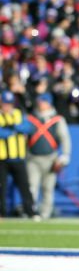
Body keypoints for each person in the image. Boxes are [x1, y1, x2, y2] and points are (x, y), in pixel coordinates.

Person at [25, 92, 72, 219]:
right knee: (32, 186)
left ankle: (45, 213)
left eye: (43, 102)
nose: (41, 104)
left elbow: (65, 139)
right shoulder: (30, 118)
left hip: (51, 158)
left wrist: (65, 156)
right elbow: (24, 138)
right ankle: (32, 212)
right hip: (33, 158)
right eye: (40, 101)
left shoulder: (57, 119)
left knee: (48, 188)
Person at [0, 91, 39, 219]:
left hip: (18, 157)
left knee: (24, 187)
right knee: (2, 187)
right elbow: (2, 133)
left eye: (9, 104)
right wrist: (12, 132)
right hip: (2, 158)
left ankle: (30, 211)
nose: (7, 107)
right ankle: (2, 212)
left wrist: (14, 126)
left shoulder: (18, 114)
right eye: (5, 104)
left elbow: (28, 128)